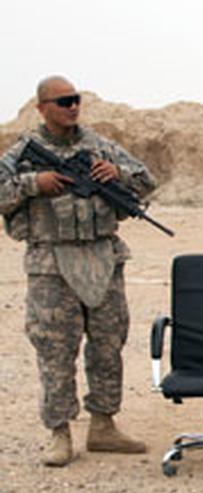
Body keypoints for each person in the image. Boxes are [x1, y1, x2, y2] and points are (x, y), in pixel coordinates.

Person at [0, 76, 158, 467]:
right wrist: (33, 183)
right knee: (55, 350)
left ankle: (103, 425)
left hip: (102, 257)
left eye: (76, 100)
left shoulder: (100, 145)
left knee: (108, 345)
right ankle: (60, 433)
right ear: (42, 108)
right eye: (63, 101)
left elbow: (147, 180)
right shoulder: (23, 153)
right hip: (51, 264)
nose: (73, 107)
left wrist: (115, 173)